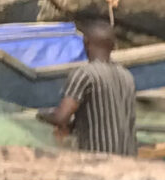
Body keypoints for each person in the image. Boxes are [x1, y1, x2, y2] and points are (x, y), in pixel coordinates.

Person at [48, 16, 138, 156]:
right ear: (112, 46)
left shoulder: (84, 75)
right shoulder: (127, 77)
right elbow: (106, 118)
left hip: (98, 163)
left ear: (86, 43)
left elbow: (61, 117)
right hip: (128, 161)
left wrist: (41, 117)